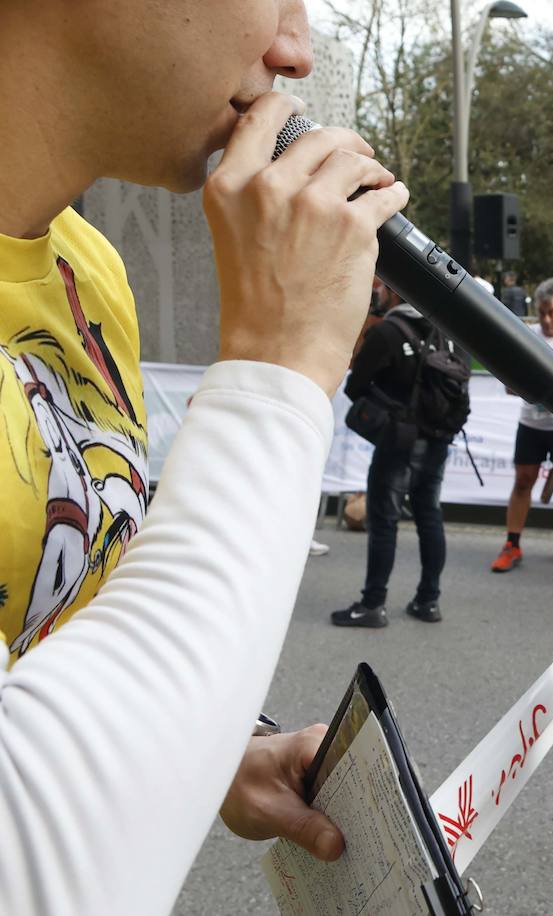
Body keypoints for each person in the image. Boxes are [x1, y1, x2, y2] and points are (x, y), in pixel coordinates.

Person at [0, 3, 410, 911]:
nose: (293, 52)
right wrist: (280, 366)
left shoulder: (87, 264)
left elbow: (50, 616)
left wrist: (203, 745)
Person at [332, 285, 461, 627]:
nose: (377, 290)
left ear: (395, 291)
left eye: (383, 285)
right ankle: (428, 600)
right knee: (429, 517)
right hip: (437, 442)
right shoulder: (447, 332)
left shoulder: (388, 332)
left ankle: (373, 604)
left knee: (384, 522)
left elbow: (355, 385)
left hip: (397, 442)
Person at [492, 279, 553, 572]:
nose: (546, 319)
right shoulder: (527, 336)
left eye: (552, 312)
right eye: (542, 312)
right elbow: (508, 384)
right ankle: (512, 544)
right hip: (530, 424)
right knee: (523, 481)